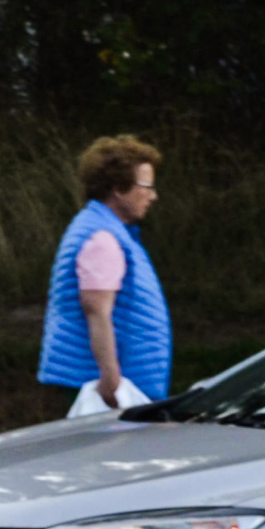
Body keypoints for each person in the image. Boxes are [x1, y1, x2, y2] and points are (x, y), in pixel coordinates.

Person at [39, 135, 170, 417]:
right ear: (120, 189)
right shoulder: (103, 237)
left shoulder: (106, 230)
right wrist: (111, 383)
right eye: (146, 187)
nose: (153, 196)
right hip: (106, 391)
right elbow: (96, 310)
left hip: (112, 385)